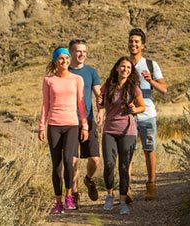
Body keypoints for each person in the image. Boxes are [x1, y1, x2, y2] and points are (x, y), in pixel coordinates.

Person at [38, 47, 89, 214]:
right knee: (56, 165)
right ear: (55, 61)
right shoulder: (48, 80)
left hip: (72, 125)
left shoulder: (77, 79)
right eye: (61, 58)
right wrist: (41, 126)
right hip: (54, 125)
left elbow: (81, 105)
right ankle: (58, 201)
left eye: (67, 58)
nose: (65, 61)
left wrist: (85, 125)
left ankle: (69, 196)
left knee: (69, 161)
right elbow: (46, 104)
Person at [97, 57, 145, 215]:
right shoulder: (108, 85)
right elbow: (101, 103)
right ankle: (110, 195)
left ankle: (123, 202)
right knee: (109, 165)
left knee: (124, 167)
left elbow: (142, 107)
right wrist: (99, 102)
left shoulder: (133, 87)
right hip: (109, 130)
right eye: (123, 66)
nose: (125, 70)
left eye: (129, 68)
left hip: (128, 131)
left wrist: (133, 110)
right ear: (117, 67)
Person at [127, 28, 167, 201]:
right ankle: (125, 187)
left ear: (142, 45)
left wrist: (151, 81)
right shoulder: (124, 64)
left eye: (137, 41)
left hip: (147, 114)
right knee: (127, 151)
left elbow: (164, 89)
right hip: (128, 115)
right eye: (131, 41)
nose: (133, 44)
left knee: (149, 149)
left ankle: (151, 185)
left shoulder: (151, 64)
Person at [67, 39, 103, 206]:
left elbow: (99, 95)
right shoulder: (65, 71)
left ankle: (88, 179)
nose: (82, 54)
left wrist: (101, 110)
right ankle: (74, 194)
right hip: (69, 121)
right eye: (78, 51)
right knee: (72, 160)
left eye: (84, 52)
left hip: (88, 120)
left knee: (95, 159)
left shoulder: (91, 72)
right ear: (71, 52)